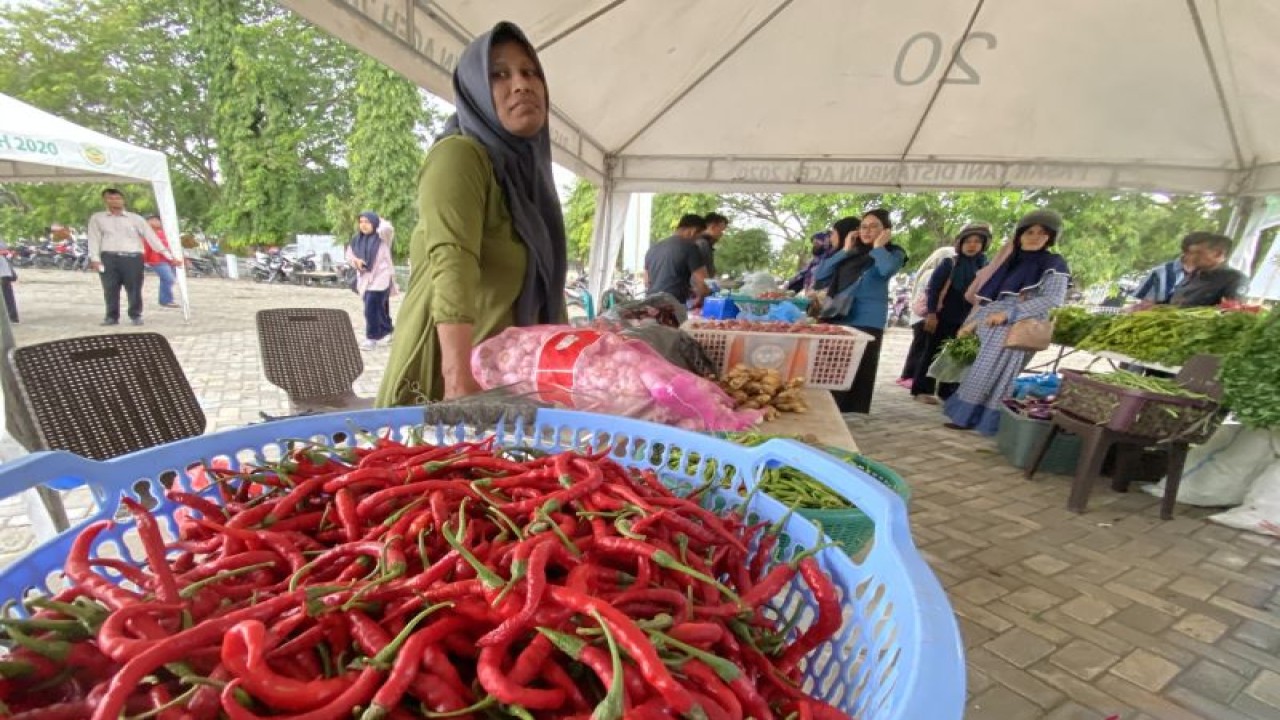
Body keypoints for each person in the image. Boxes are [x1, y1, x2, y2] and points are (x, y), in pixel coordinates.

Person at [378, 22, 567, 404]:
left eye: (530, 72)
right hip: (451, 388)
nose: (521, 84)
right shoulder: (459, 155)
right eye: (499, 74)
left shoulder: (530, 182)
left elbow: (550, 290)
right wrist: (457, 382)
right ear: (476, 90)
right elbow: (453, 263)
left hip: (510, 386)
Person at [943, 210, 1070, 434]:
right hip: (990, 327)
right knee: (978, 372)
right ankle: (965, 417)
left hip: (1017, 328)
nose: (1034, 237)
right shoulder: (1011, 262)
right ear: (1020, 235)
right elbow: (993, 298)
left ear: (1050, 237)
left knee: (1000, 377)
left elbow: (1052, 299)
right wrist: (972, 324)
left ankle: (983, 422)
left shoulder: (1053, 263)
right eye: (1029, 231)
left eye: (1042, 233)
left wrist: (1010, 314)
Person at [813, 209, 908, 415]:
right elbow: (820, 274)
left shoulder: (894, 252)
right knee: (832, 366)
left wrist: (878, 247)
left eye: (874, 226)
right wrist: (845, 250)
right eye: (864, 226)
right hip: (839, 316)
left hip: (868, 318)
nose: (867, 230)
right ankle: (829, 407)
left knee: (860, 367)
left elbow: (885, 271)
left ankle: (850, 411)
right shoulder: (851, 252)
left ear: (886, 231)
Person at [911, 224, 991, 404]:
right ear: (960, 244)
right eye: (968, 241)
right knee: (932, 351)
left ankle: (947, 392)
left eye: (977, 242)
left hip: (968, 319)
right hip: (942, 315)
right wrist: (932, 314)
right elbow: (933, 289)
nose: (972, 245)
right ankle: (922, 389)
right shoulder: (950, 263)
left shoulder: (985, 266)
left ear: (984, 245)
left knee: (958, 355)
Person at [87, 188, 176, 326]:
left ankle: (135, 314)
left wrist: (169, 256)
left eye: (117, 198)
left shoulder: (136, 219)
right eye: (110, 198)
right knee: (110, 288)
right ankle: (111, 316)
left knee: (134, 287)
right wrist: (95, 259)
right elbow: (94, 239)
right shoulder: (97, 218)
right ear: (105, 200)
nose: (114, 201)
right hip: (109, 257)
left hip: (132, 258)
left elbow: (151, 238)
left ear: (123, 200)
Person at [896, 245, 957, 388]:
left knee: (918, 347)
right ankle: (911, 377)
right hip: (924, 316)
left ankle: (907, 375)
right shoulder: (935, 273)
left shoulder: (925, 272)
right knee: (922, 349)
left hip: (917, 315)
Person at [347, 212, 397, 350]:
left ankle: (371, 338)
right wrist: (356, 261)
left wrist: (379, 218)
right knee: (380, 308)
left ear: (375, 223)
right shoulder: (356, 240)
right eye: (361, 221)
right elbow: (349, 256)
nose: (363, 224)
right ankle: (389, 330)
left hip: (381, 278)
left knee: (370, 308)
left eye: (367, 222)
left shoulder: (382, 237)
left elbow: (388, 228)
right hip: (365, 279)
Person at [644, 214, 710, 305]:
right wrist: (701, 299)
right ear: (693, 231)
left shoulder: (653, 248)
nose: (697, 240)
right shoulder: (690, 247)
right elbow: (703, 282)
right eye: (698, 236)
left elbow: (647, 282)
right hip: (673, 306)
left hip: (650, 304)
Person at [1168, 232, 1248, 307]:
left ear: (1218, 254)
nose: (1190, 257)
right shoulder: (1194, 274)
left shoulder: (1234, 279)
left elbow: (1231, 312)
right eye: (1190, 253)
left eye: (1198, 253)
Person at [143, 215, 180, 309]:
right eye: (152, 220)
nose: (155, 222)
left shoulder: (165, 233)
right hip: (156, 260)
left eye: (156, 220)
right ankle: (166, 300)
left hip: (170, 260)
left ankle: (165, 299)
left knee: (168, 279)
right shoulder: (146, 234)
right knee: (168, 278)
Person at [695, 212, 729, 279]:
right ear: (712, 226)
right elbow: (706, 272)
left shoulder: (705, 243)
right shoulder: (702, 243)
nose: (722, 234)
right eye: (721, 230)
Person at [0, 243, 17, 323]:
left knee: (6, 297)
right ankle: (12, 317)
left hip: (3, 274)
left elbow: (7, 252)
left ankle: (11, 317)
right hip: (5, 273)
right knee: (7, 297)